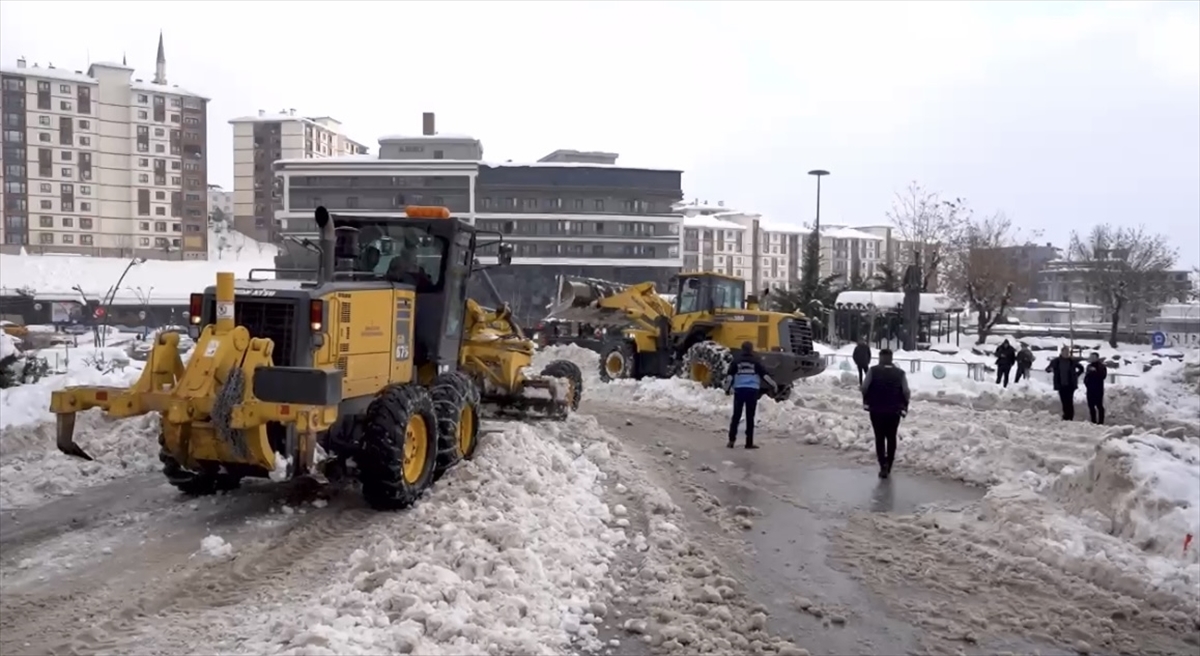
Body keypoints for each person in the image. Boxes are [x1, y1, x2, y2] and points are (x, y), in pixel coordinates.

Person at [861, 348, 911, 479]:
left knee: (879, 437)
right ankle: (889, 464)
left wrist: (867, 399)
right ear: (891, 358)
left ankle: (882, 464)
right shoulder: (900, 373)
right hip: (894, 411)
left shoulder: (873, 371)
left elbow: (864, 387)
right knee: (891, 437)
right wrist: (905, 404)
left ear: (880, 358)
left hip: (876, 409)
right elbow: (906, 391)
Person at [724, 341, 777, 450]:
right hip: (752, 391)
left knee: (736, 416)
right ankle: (749, 443)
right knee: (750, 417)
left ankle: (731, 441)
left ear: (742, 349)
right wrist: (773, 385)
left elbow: (729, 377)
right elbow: (765, 375)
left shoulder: (736, 361)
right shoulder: (756, 361)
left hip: (739, 391)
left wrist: (727, 389)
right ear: (751, 349)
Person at [1045, 346, 1084, 421]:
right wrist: (1050, 369)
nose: (1066, 354)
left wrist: (1076, 375)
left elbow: (1081, 368)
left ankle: (1070, 416)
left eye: (1067, 352)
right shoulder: (1056, 361)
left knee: (1069, 401)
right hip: (1061, 384)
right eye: (1065, 352)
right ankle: (1065, 415)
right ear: (1061, 352)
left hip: (1070, 384)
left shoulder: (1072, 361)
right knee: (1064, 401)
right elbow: (1047, 369)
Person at [1084, 352, 1108, 425]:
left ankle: (1101, 421)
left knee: (1099, 405)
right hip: (1090, 389)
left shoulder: (1102, 366)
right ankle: (1093, 421)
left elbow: (1103, 376)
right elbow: (1086, 376)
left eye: (1093, 357)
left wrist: (1095, 371)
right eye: (1091, 357)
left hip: (1098, 389)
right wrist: (1086, 382)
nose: (1092, 358)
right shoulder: (1089, 366)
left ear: (1097, 358)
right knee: (1091, 405)